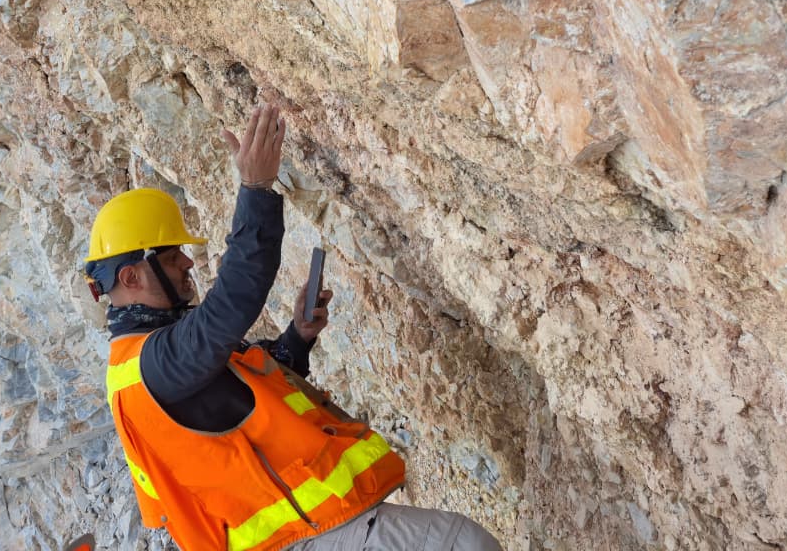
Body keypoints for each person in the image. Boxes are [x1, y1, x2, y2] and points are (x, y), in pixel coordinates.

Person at [83, 103, 502, 551]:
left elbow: (236, 403)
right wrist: (256, 188)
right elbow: (232, 300)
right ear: (131, 277)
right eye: (170, 257)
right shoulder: (155, 362)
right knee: (463, 544)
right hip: (302, 535)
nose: (187, 262)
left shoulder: (154, 362)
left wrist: (296, 338)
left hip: (301, 535)